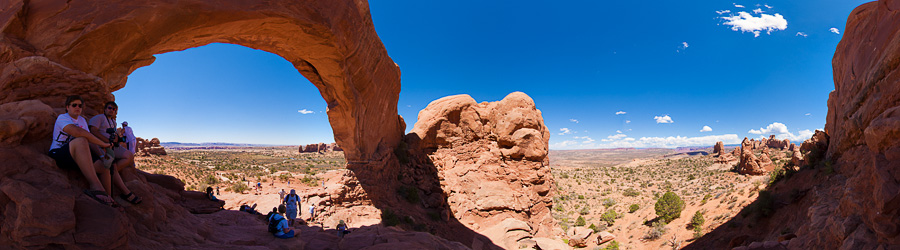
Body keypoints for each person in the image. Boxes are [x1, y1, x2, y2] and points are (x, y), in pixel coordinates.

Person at [48, 95, 117, 208]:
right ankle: (96, 187)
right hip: (59, 152)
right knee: (81, 140)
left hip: (77, 155)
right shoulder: (63, 117)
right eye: (74, 105)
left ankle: (108, 199)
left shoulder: (82, 120)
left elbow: (90, 140)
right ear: (67, 107)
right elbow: (77, 132)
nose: (77, 107)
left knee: (104, 167)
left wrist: (101, 154)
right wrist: (103, 144)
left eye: (80, 105)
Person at [89, 101, 141, 205]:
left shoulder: (113, 122)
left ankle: (113, 172)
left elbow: (114, 134)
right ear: (105, 109)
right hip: (101, 145)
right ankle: (124, 192)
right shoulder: (99, 118)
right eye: (109, 108)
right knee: (110, 165)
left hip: (112, 146)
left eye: (114, 109)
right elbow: (93, 131)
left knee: (129, 156)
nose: (112, 110)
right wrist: (106, 141)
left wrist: (116, 138)